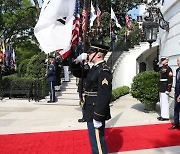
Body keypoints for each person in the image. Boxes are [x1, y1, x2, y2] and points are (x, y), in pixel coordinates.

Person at [72, 43, 112, 154]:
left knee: (98, 142)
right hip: (90, 108)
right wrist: (77, 60)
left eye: (90, 53)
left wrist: (98, 116)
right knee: (94, 141)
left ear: (99, 54)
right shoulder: (93, 69)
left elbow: (104, 95)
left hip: (96, 110)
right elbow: (76, 72)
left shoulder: (103, 71)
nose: (88, 55)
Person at [157, 57, 173, 121]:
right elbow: (155, 68)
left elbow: (170, 79)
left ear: (166, 61)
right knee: (161, 102)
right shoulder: (162, 68)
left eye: (162, 60)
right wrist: (158, 63)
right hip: (161, 86)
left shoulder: (168, 69)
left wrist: (168, 89)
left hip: (165, 87)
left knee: (165, 102)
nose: (161, 61)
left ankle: (166, 116)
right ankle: (162, 115)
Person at [169, 56, 180, 130]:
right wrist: (175, 91)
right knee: (176, 109)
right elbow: (177, 82)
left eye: (178, 61)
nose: (177, 62)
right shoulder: (177, 70)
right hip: (177, 92)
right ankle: (176, 124)